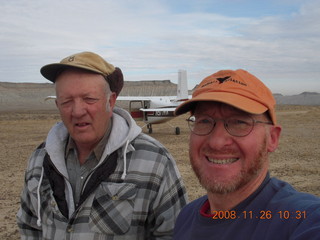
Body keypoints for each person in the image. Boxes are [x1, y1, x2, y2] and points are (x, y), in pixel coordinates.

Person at [17, 51, 187, 239]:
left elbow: (175, 234)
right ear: (57, 105)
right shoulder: (39, 159)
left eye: (89, 99)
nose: (77, 111)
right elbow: (29, 226)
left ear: (111, 101)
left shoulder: (156, 161)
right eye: (66, 101)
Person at [173, 69, 320, 240]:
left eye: (239, 122)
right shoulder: (186, 217)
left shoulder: (300, 219)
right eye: (204, 121)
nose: (217, 142)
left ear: (272, 139)